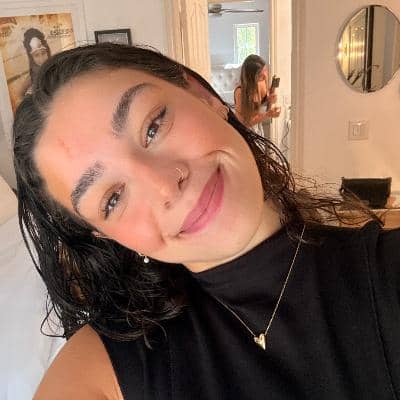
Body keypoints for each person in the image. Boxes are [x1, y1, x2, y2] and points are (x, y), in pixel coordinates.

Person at [12, 43, 400, 399]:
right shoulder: (105, 366)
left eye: (153, 126)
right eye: (113, 199)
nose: (165, 185)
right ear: (106, 235)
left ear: (203, 95)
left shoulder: (385, 274)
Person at [234, 54, 281, 136]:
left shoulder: (261, 83)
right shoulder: (240, 92)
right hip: (244, 134)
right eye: (260, 74)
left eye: (265, 70)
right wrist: (267, 115)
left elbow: (267, 109)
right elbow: (243, 124)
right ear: (250, 77)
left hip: (258, 131)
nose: (265, 76)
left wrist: (271, 99)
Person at [17, 28, 51, 100]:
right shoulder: (31, 77)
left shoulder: (56, 68)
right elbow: (20, 95)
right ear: (32, 58)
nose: (41, 58)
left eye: (43, 53)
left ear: (47, 52)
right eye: (36, 55)